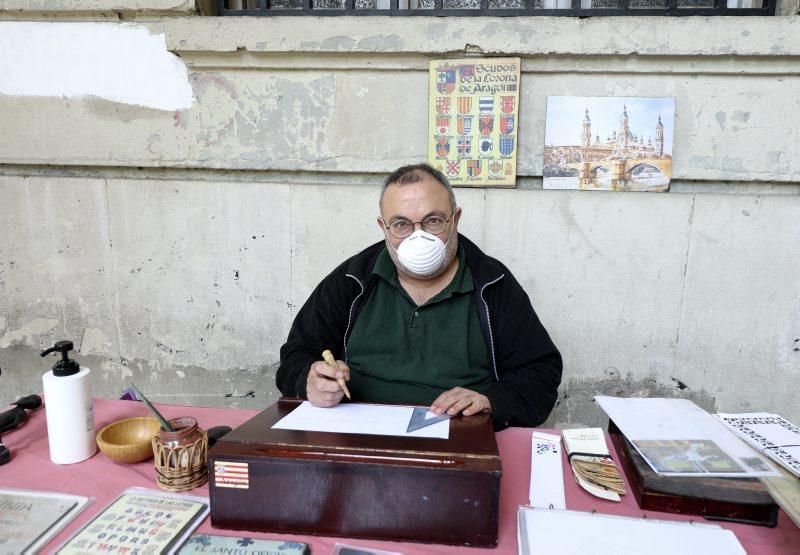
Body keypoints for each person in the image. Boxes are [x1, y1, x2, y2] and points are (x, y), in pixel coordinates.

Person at [276, 163, 562, 429]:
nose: (418, 237)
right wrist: (308, 381)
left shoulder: (493, 284)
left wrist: (492, 401)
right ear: (383, 227)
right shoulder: (352, 280)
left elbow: (540, 375)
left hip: (458, 437)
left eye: (433, 221)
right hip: (357, 433)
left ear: (455, 219)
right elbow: (295, 355)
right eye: (401, 224)